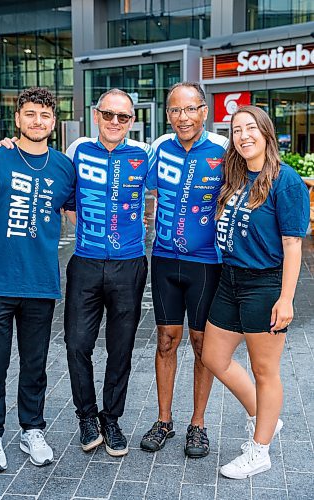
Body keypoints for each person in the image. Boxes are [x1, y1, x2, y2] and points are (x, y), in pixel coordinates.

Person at [0, 87, 76, 473]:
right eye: (29, 114)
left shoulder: (64, 167)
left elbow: (76, 216)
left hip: (40, 283)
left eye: (44, 115)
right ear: (18, 119)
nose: (37, 121)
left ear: (54, 122)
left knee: (35, 364)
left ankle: (31, 429)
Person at [201, 105, 310, 479]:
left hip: (265, 284)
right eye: (236, 130)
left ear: (265, 133)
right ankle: (265, 417)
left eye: (251, 128)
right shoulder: (234, 176)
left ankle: (260, 450)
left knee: (265, 371)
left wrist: (286, 298)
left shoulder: (286, 181)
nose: (243, 135)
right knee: (214, 357)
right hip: (230, 279)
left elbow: (293, 245)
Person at [64, 89, 156, 457]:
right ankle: (86, 416)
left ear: (132, 121)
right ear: (96, 115)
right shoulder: (77, 152)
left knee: (121, 348)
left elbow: (171, 187)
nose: (115, 122)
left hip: (130, 264)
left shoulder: (144, 154)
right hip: (85, 262)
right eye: (108, 115)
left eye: (123, 117)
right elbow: (66, 199)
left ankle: (111, 419)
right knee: (76, 344)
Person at [140, 82, 228, 458]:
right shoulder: (159, 147)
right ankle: (164, 420)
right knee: (165, 340)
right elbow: (136, 184)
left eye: (190, 109)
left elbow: (253, 180)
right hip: (163, 259)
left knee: (201, 344)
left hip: (207, 263)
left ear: (203, 111)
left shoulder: (223, 149)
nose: (183, 118)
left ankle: (198, 423)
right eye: (175, 110)